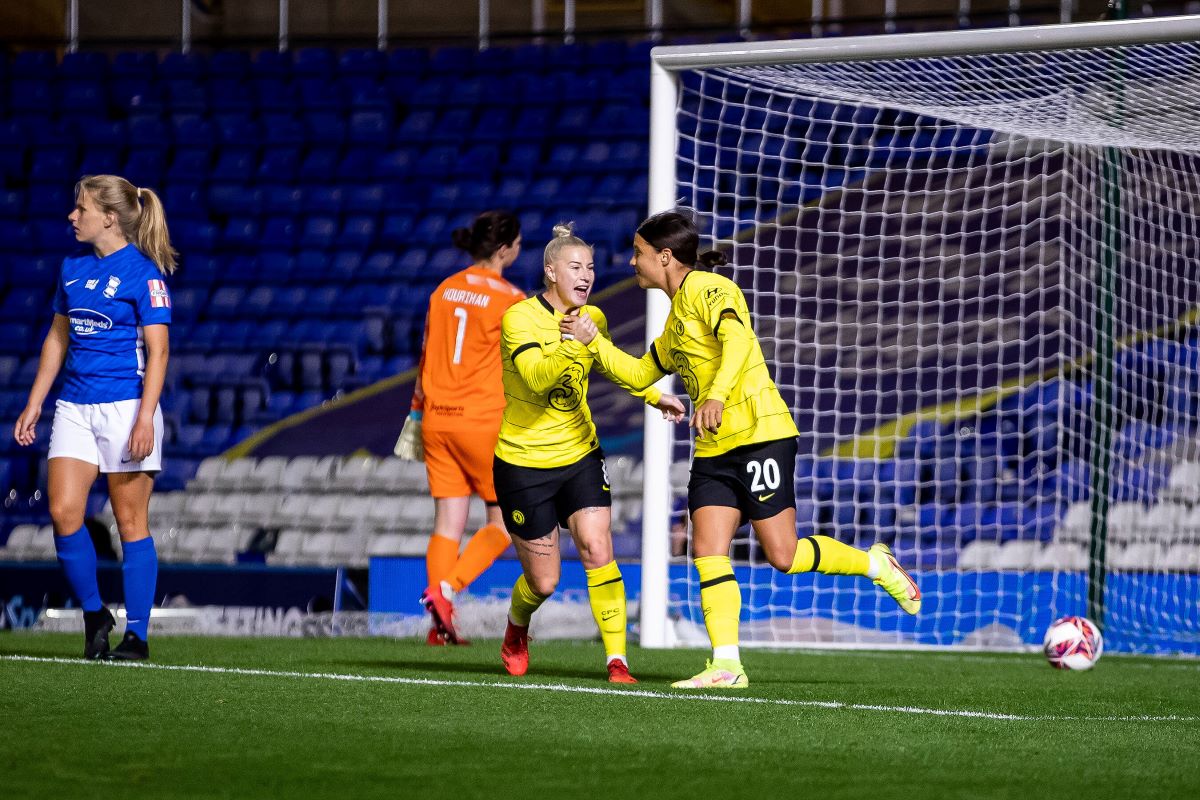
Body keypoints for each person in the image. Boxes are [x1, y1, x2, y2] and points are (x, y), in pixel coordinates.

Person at [563, 210, 921, 689]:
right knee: (707, 548)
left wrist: (714, 394)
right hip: (713, 450)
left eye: (640, 253)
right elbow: (638, 375)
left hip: (760, 435)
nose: (632, 262)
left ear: (665, 257)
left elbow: (737, 342)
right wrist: (592, 343)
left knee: (783, 554)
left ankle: (876, 563)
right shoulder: (674, 325)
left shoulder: (712, 289)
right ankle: (726, 664)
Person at [493, 223, 685, 684]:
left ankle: (616, 660)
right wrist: (575, 341)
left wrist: (655, 395)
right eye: (575, 267)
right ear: (550, 272)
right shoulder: (519, 318)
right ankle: (517, 628)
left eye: (591, 267)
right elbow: (538, 377)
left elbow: (614, 364)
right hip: (524, 461)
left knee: (599, 547)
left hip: (580, 452)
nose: (586, 276)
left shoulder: (590, 319)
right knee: (544, 582)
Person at [12, 174, 176, 661]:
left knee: (130, 522)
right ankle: (93, 612)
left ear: (108, 216)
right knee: (63, 512)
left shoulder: (145, 274)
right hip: (74, 408)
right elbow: (57, 339)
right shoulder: (70, 268)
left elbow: (159, 352)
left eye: (80, 208)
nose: (72, 215)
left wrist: (145, 418)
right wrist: (36, 400)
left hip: (125, 408)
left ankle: (138, 636)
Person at [394, 211, 526, 645]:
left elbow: (426, 353)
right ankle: (445, 590)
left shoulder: (443, 290)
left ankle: (440, 627)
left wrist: (416, 411)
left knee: (447, 524)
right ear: (505, 248)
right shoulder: (511, 299)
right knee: (504, 525)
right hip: (483, 420)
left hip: (435, 419)